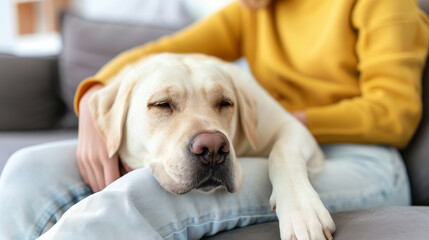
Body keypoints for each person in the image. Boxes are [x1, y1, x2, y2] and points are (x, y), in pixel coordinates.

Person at [0, 0, 428, 239]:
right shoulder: (251, 10)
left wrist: (283, 120)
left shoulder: (381, 3)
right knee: (28, 170)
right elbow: (155, 56)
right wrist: (93, 100)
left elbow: (394, 115)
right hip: (274, 140)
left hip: (362, 161)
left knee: (143, 194)